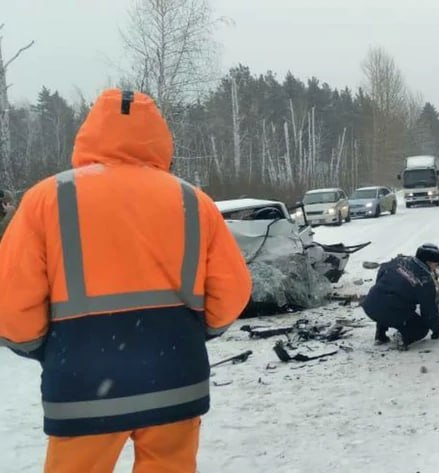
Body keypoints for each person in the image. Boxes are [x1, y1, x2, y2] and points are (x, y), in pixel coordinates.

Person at [0, 89, 253, 473]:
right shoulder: (192, 201)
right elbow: (232, 289)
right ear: (160, 138)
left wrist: (43, 348)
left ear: (88, 134)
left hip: (83, 384)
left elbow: (12, 299)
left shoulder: (47, 199)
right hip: (175, 378)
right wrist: (189, 333)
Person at [362, 244, 439, 349]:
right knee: (422, 328)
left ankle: (380, 334)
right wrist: (436, 328)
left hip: (371, 304)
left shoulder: (399, 261)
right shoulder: (425, 281)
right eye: (436, 264)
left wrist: (381, 288)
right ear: (428, 262)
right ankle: (404, 338)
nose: (436, 268)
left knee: (385, 301)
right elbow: (428, 310)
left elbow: (382, 270)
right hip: (393, 312)